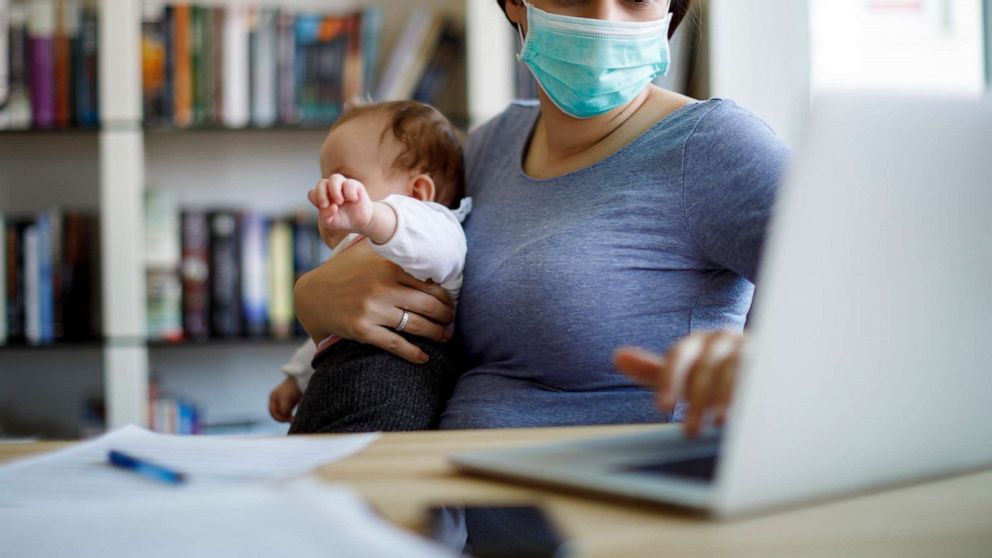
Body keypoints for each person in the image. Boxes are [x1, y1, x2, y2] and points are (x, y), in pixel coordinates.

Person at [293, 0, 790, 434]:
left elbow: (857, 309)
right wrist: (312, 299)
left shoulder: (715, 147)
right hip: (450, 528)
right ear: (516, 2)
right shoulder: (492, 144)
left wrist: (764, 363)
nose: (604, 20)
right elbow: (417, 276)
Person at [268, 100, 471, 433]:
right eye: (325, 181)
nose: (326, 195)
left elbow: (439, 252)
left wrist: (373, 217)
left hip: (395, 384)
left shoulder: (435, 225)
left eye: (345, 181)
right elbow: (337, 325)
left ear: (418, 192)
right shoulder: (354, 254)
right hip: (332, 380)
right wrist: (296, 378)